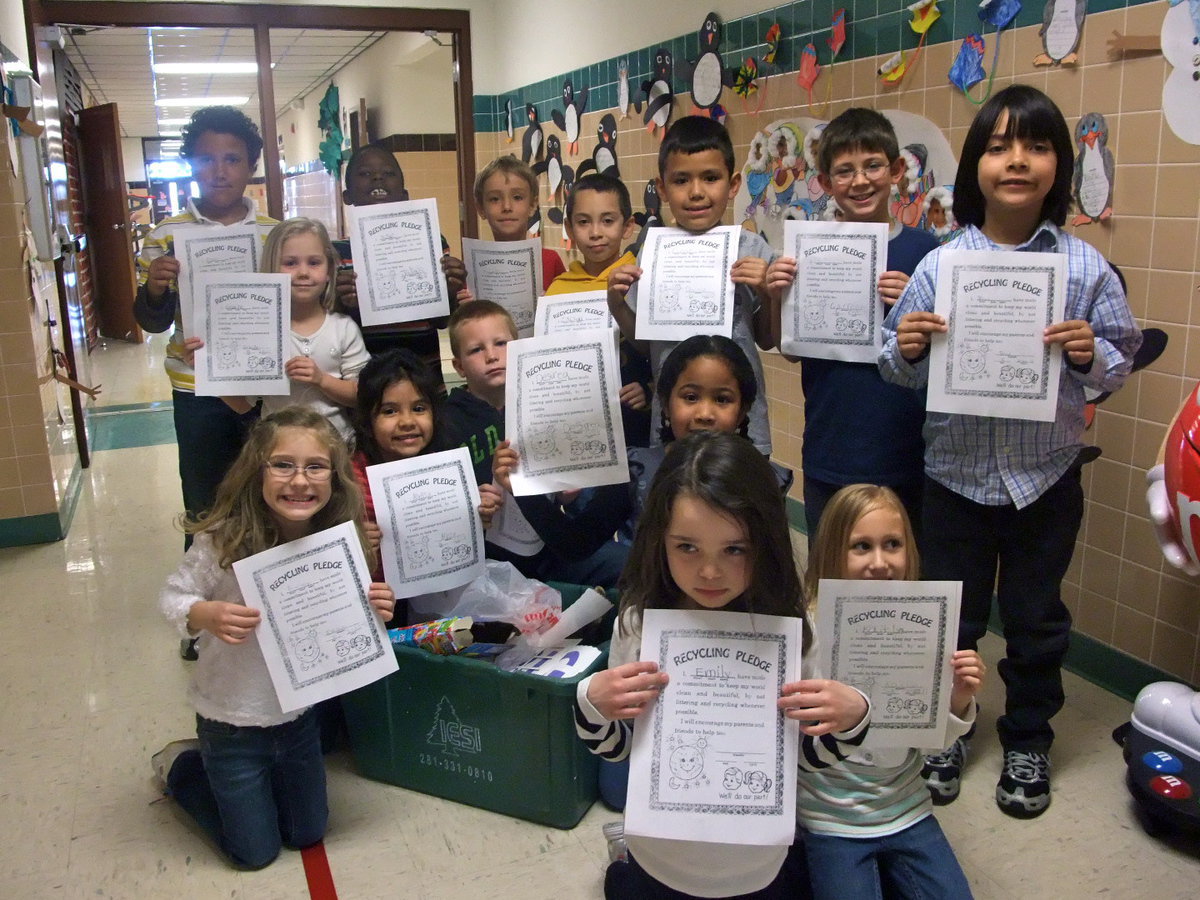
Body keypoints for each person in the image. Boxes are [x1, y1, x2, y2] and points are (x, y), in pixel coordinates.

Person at [879, 84, 1141, 818]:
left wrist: (1092, 355)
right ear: (975, 167)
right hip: (954, 478)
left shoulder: (1085, 269)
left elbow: (1117, 363)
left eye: (1035, 145)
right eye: (998, 146)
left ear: (1059, 163)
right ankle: (947, 728)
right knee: (951, 618)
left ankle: (1028, 736)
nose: (1016, 160)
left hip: (1044, 479)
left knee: (1035, 620)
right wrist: (904, 346)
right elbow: (893, 366)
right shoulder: (940, 266)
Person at [575, 431, 869, 899]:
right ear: (659, 540)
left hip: (757, 864)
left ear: (765, 542)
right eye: (686, 547)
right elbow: (620, 749)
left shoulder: (793, 630)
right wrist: (591, 702)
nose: (709, 572)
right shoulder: (637, 623)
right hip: (660, 857)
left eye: (734, 549)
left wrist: (853, 717)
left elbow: (807, 761)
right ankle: (624, 868)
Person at [152, 406, 396, 869]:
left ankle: (255, 791)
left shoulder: (338, 543)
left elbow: (347, 629)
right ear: (256, 471)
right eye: (283, 464)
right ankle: (184, 767)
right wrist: (202, 613)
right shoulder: (224, 540)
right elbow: (170, 598)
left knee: (306, 833)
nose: (299, 481)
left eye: (315, 467)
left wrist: (377, 612)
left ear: (334, 476)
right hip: (231, 722)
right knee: (253, 854)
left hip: (299, 721)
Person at [763, 108, 939, 544]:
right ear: (824, 183)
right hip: (831, 445)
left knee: (901, 576)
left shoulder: (926, 252)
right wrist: (775, 294)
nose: (860, 181)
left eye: (873, 165)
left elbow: (946, 351)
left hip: (908, 450)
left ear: (896, 170)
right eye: (844, 171)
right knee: (832, 577)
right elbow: (788, 349)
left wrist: (913, 304)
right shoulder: (807, 251)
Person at [799, 484, 982, 899]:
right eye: (861, 546)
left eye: (892, 544)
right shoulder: (807, 633)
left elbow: (933, 743)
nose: (879, 563)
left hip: (906, 808)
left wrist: (956, 700)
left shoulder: (924, 627)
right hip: (831, 818)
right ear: (831, 551)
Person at [493, 335, 793, 577]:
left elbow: (773, 572)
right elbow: (575, 544)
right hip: (651, 615)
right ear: (664, 401)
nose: (704, 413)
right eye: (690, 397)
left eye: (722, 399)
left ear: (742, 410)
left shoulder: (759, 479)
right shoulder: (639, 469)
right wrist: (523, 489)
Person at [132, 106, 279, 555]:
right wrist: (156, 289)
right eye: (206, 159)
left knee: (270, 492)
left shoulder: (275, 234)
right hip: (197, 388)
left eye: (232, 159)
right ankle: (202, 603)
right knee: (204, 499)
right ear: (191, 165)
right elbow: (151, 321)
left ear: (251, 166)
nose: (219, 171)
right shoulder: (164, 235)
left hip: (264, 387)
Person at [606, 116, 777, 454]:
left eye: (711, 178)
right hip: (674, 423)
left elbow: (768, 339)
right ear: (663, 188)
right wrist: (616, 304)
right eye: (681, 180)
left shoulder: (753, 249)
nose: (696, 192)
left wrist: (767, 293)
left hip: (740, 423)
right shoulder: (651, 253)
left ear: (732, 185)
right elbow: (644, 345)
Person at [440, 300, 623, 588]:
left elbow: (568, 499)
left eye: (501, 343)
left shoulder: (545, 400)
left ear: (519, 348)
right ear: (459, 367)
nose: (491, 356)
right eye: (476, 349)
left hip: (550, 545)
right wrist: (470, 505)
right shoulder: (447, 423)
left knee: (626, 565)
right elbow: (444, 508)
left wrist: (567, 495)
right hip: (492, 564)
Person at [349, 348, 502, 622]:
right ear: (367, 420)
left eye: (419, 409)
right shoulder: (348, 485)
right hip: (375, 611)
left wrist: (475, 514)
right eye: (389, 411)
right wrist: (355, 548)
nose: (407, 422)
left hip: (440, 609)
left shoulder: (446, 471)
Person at [221, 218, 369, 441]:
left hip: (337, 449)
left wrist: (321, 379)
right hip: (277, 449)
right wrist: (207, 371)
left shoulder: (343, 328)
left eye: (314, 262)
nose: (303, 273)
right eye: (290, 263)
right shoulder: (259, 332)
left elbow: (362, 395)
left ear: (329, 270)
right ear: (271, 268)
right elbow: (243, 405)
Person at [333, 143, 467, 375]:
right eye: (365, 174)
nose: (377, 178)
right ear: (347, 196)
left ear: (405, 195)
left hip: (424, 371)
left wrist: (450, 290)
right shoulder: (336, 253)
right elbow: (330, 326)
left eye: (388, 174)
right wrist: (343, 302)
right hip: (363, 378)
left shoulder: (431, 240)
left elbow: (442, 321)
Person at [545, 172, 653, 446]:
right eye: (583, 222)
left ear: (628, 226)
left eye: (608, 221)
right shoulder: (558, 290)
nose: (595, 233)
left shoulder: (642, 280)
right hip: (576, 426)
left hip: (634, 422)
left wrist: (649, 390)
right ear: (569, 229)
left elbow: (662, 351)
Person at [472, 155, 565, 290]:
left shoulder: (550, 261)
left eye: (517, 197)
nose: (507, 207)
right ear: (481, 208)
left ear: (533, 205)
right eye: (494, 199)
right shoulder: (472, 267)